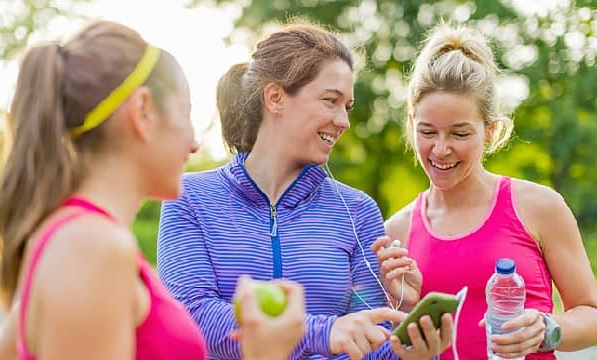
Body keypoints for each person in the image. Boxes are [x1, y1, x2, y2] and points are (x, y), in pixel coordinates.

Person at [0, 20, 306, 360]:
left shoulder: (74, 239)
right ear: (143, 111)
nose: (195, 143)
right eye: (187, 114)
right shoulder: (92, 247)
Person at [156, 22, 453, 360]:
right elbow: (192, 316)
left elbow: (366, 343)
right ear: (275, 97)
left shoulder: (357, 211)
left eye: (347, 106)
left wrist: (403, 349)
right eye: (331, 101)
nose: (343, 121)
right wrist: (323, 332)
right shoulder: (191, 197)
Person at [374, 23, 597, 359]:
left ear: (490, 130)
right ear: (411, 125)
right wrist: (404, 304)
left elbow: (591, 313)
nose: (440, 149)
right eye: (428, 132)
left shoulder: (539, 207)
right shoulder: (396, 232)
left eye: (459, 134)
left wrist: (548, 328)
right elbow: (387, 346)